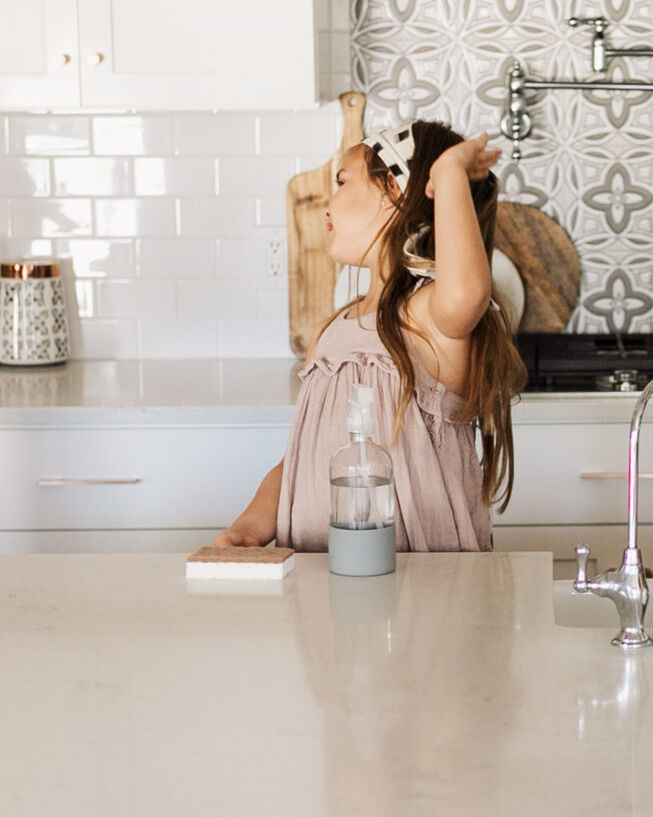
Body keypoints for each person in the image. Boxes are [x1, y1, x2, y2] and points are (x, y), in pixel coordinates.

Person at [217, 119, 524, 554]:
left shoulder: (426, 316)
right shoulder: (336, 327)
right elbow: (307, 454)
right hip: (320, 586)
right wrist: (251, 524)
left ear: (394, 193)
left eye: (342, 182)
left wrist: (450, 172)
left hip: (425, 597)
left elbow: (466, 289)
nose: (329, 203)